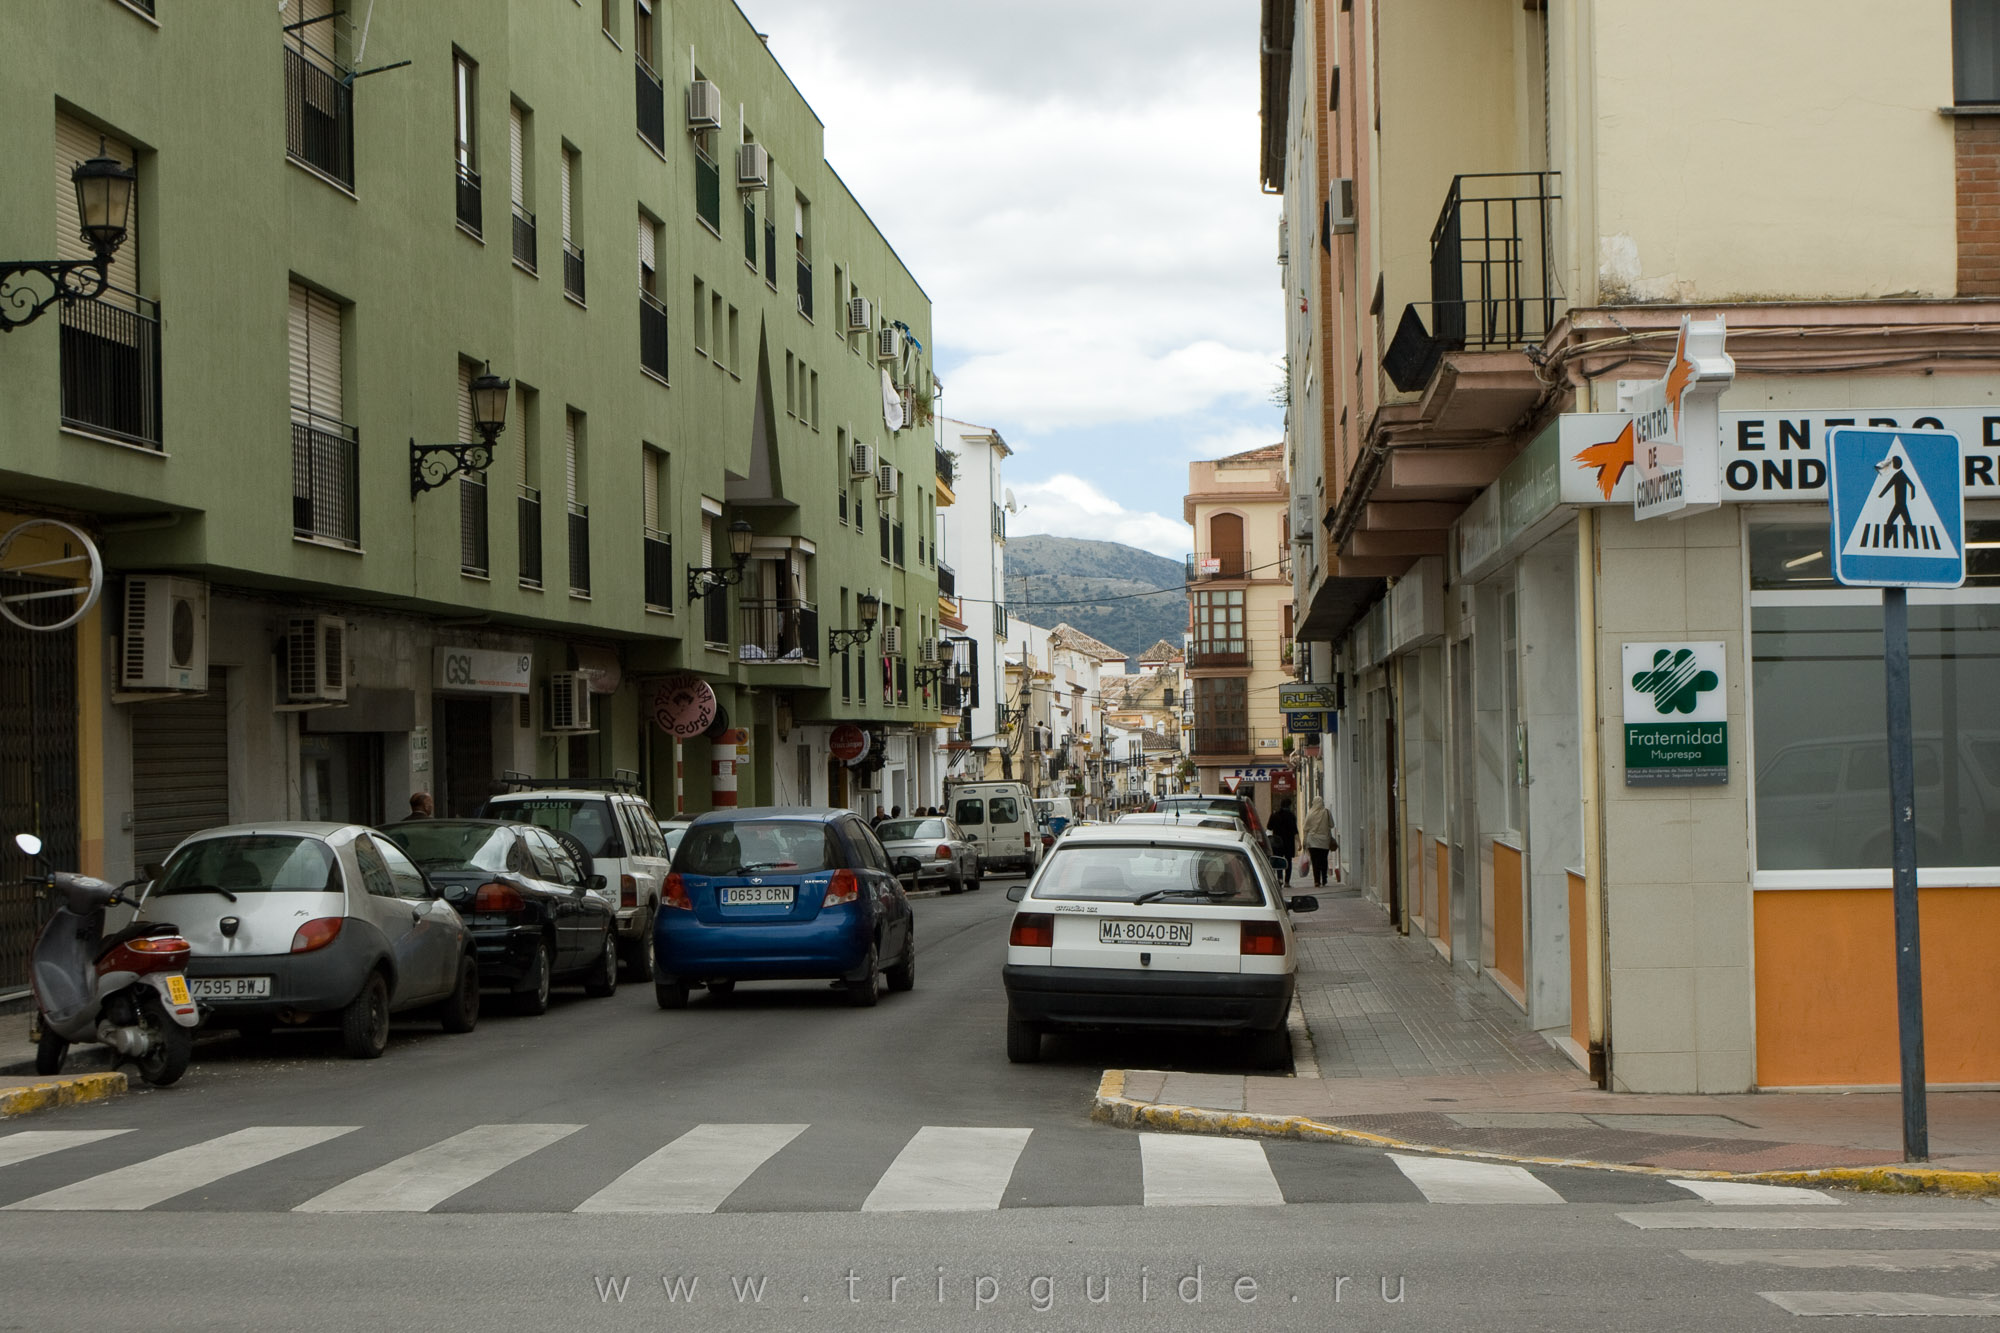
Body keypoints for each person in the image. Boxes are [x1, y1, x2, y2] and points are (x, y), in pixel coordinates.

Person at [1302, 798, 1336, 888]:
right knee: (1323, 860)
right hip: (1324, 841)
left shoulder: (1310, 813)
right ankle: (1324, 879)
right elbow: (1332, 825)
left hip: (1312, 841)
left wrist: (1304, 841)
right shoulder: (1327, 812)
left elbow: (1305, 828)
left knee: (1315, 861)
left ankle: (1317, 881)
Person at [1267, 797, 1299, 887]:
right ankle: (1287, 882)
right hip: (1289, 842)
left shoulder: (1275, 815)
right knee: (1288, 861)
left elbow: (1269, 827)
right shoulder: (1291, 816)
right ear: (1289, 805)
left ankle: (1280, 879)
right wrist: (1299, 842)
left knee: (1278, 860)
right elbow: (1295, 830)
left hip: (1277, 842)